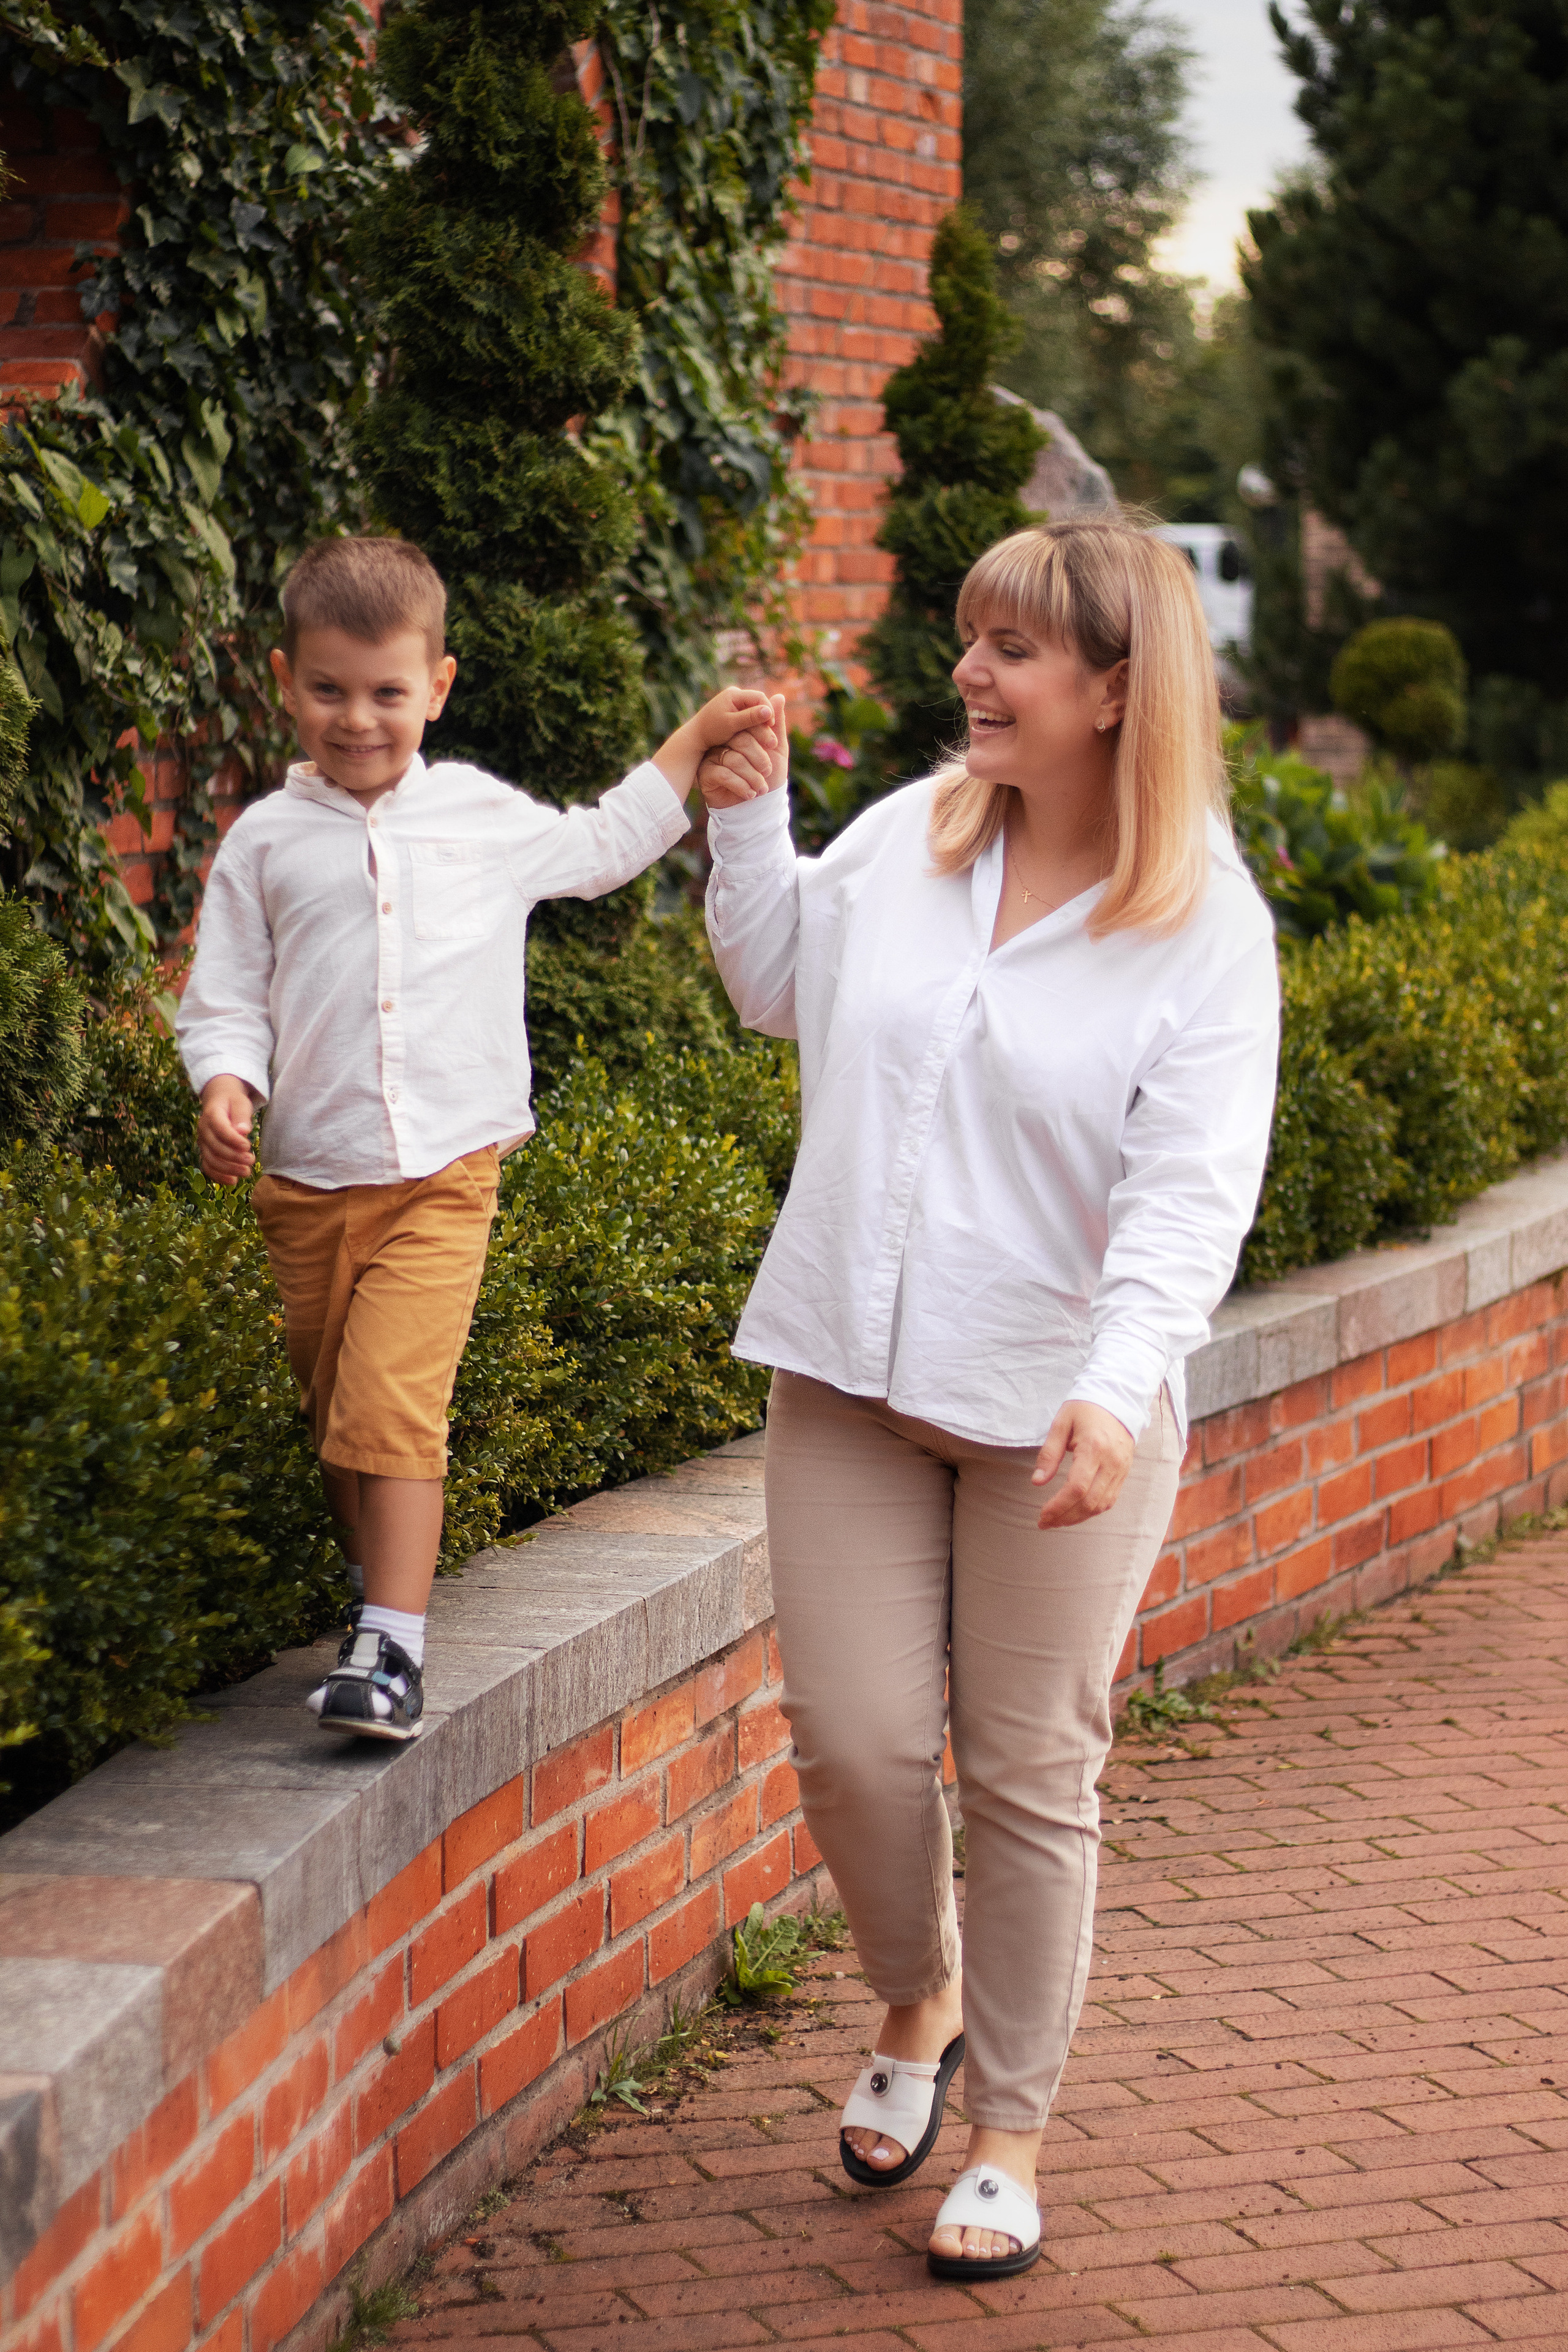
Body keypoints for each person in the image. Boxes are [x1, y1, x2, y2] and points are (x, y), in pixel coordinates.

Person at [696, 516, 1278, 2277]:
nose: (971, 673)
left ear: (1118, 689)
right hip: (852, 1377)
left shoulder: (1200, 929)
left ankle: (1010, 2129)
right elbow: (773, 984)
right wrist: (744, 815)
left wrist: (1117, 1390)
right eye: (970, 640)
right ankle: (915, 1997)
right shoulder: (906, 840)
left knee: (1031, 1769)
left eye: (1013, 650)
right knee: (859, 1743)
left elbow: (1190, 1198)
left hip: (1059, 1421)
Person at [177, 533, 776, 1741]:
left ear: (436, 688)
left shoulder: (478, 818)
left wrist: (694, 738)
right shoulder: (264, 844)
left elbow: (606, 844)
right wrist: (226, 1083)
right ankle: (374, 1600)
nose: (358, 719)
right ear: (285, 681)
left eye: (387, 693)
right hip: (303, 1181)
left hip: (442, 1175)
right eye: (330, 690)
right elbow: (226, 994)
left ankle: (391, 1652)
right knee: (338, 1421)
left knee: (391, 1409)